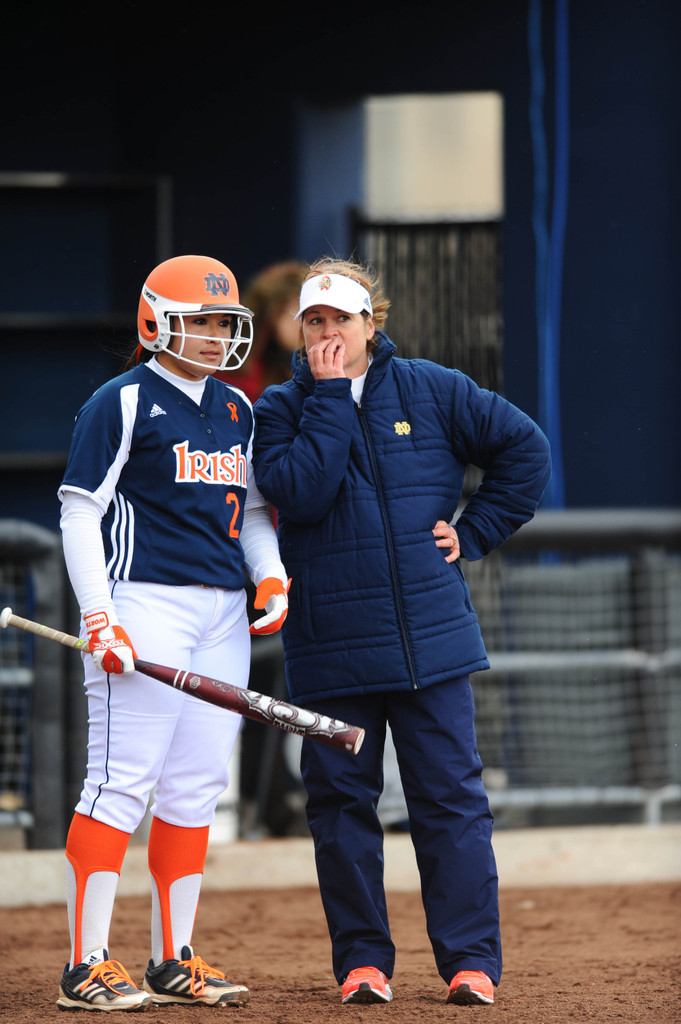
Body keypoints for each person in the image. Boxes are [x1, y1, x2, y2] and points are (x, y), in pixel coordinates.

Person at [252, 256, 552, 1006]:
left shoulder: (436, 388)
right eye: (312, 319)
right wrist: (325, 398)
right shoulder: (278, 410)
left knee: (449, 802)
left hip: (431, 644)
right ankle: (362, 964)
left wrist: (475, 530)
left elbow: (526, 452)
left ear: (369, 322)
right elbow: (303, 494)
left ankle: (470, 964)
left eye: (339, 319)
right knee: (340, 809)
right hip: (329, 650)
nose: (324, 332)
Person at [56, 254, 290, 1012]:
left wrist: (270, 573)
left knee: (196, 787)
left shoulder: (237, 410)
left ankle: (172, 957)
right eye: (200, 321)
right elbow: (79, 510)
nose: (216, 335)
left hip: (221, 611)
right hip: (144, 602)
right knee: (120, 782)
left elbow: (251, 513)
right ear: (157, 323)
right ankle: (85, 964)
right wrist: (100, 613)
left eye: (224, 322)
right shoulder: (120, 402)